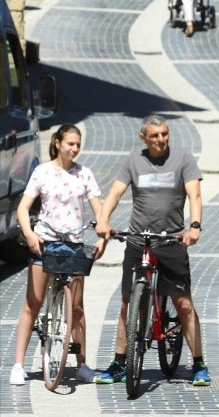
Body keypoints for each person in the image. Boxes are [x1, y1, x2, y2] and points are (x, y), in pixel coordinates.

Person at [95, 114, 211, 387]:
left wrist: (194, 226)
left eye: (165, 134)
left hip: (171, 241)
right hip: (138, 240)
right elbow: (114, 193)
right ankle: (120, 363)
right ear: (143, 138)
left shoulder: (183, 158)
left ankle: (198, 363)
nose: (161, 139)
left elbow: (194, 194)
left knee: (183, 304)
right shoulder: (134, 160)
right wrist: (104, 219)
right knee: (127, 304)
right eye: (155, 135)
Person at [10, 123, 105, 386]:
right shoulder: (42, 172)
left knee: (76, 308)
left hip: (74, 245)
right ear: (57, 142)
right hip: (46, 242)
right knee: (33, 303)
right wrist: (29, 234)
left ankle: (82, 364)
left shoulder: (84, 174)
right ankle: (18, 365)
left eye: (77, 144)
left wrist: (102, 234)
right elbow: (23, 208)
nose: (74, 149)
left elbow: (99, 212)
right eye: (70, 144)